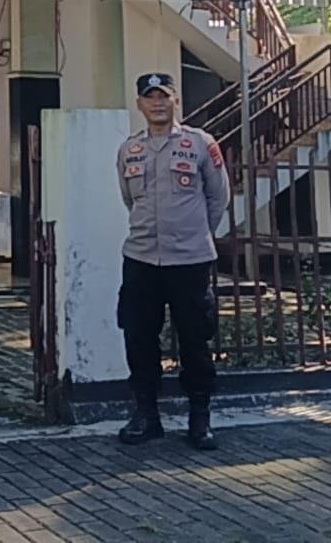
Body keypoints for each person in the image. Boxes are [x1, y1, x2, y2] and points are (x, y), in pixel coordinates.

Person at [115, 72, 231, 450]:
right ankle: (147, 416)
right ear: (140, 104)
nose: (158, 103)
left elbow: (218, 198)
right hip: (141, 259)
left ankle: (200, 418)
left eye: (164, 96)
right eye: (150, 97)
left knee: (195, 340)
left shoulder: (200, 144)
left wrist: (194, 235)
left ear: (176, 100)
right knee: (139, 338)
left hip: (190, 261)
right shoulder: (129, 149)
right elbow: (129, 199)